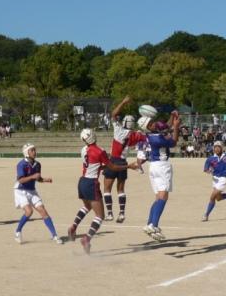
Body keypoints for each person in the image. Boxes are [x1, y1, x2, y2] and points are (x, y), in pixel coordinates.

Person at [68, 129, 138, 254]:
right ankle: (87, 239)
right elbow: (113, 167)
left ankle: (73, 226)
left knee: (87, 206)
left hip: (82, 181)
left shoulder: (84, 150)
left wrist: (105, 163)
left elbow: (96, 164)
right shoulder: (100, 151)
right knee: (100, 216)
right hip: (91, 183)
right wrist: (129, 166)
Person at [137, 111, 180, 241]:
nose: (154, 123)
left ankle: (150, 224)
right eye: (150, 123)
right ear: (147, 127)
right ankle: (153, 225)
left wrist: (172, 116)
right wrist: (176, 127)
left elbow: (165, 126)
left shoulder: (150, 135)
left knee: (157, 198)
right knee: (163, 196)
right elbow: (173, 142)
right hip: (162, 166)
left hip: (154, 166)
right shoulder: (156, 138)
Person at [103, 96, 145, 223]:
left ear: (124, 122)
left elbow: (113, 114)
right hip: (123, 162)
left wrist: (123, 102)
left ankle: (110, 213)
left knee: (106, 189)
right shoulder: (136, 135)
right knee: (121, 190)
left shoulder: (118, 130)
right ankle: (121, 214)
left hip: (113, 161)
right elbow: (145, 138)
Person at [13, 143, 63, 244]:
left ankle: (55, 236)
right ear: (26, 153)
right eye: (32, 150)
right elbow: (21, 180)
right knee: (29, 212)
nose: (35, 152)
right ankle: (17, 231)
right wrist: (32, 177)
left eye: (35, 150)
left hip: (32, 190)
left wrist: (44, 180)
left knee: (43, 211)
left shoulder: (38, 164)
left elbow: (37, 178)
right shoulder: (21, 164)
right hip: (20, 191)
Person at [201, 141, 226, 222]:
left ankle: (206, 215)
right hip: (214, 179)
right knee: (218, 198)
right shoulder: (210, 158)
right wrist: (208, 171)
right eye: (215, 147)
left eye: (218, 147)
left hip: (223, 179)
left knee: (212, 197)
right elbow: (206, 169)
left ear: (222, 148)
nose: (217, 149)